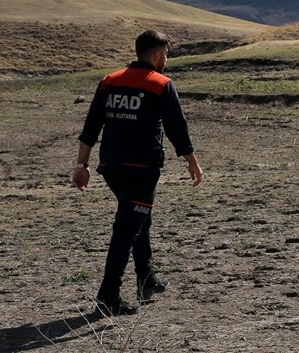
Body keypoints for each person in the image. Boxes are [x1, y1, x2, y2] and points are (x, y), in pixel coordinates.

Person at [71, 29, 203, 315]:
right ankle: (108, 297)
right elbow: (177, 129)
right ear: (156, 55)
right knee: (127, 227)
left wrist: (81, 165)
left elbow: (91, 127)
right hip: (141, 168)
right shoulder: (160, 84)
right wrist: (192, 161)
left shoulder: (110, 81)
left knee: (139, 218)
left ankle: (147, 277)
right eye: (166, 54)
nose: (166, 59)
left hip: (111, 168)